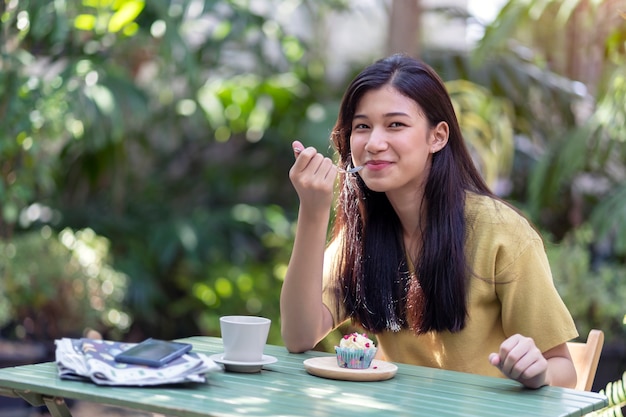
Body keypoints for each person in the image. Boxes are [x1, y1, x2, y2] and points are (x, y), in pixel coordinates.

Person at [280, 54, 579, 389]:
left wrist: (537, 373)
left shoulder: (501, 233)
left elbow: (564, 372)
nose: (375, 143)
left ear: (437, 137)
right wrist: (313, 211)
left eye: (395, 124)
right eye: (362, 126)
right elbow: (298, 335)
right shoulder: (362, 234)